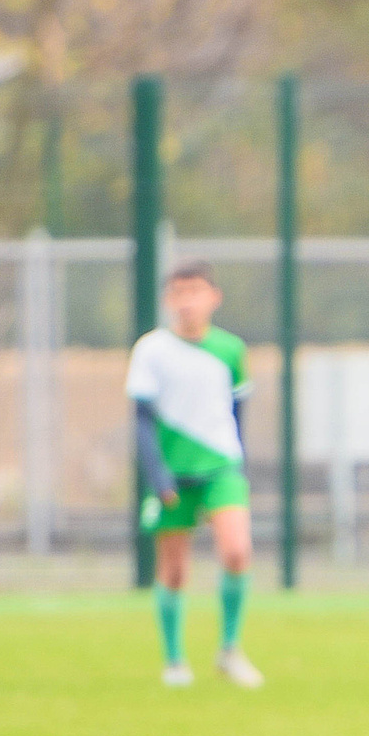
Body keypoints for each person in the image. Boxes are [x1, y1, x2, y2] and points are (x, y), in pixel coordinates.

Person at [127, 261, 262, 689]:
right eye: (178, 292)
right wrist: (157, 476)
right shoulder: (151, 349)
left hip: (222, 467)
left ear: (214, 297)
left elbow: (237, 411)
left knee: (237, 552)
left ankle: (229, 649)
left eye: (196, 291)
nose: (187, 301)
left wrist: (236, 456)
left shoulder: (230, 349)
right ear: (168, 300)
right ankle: (174, 660)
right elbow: (143, 420)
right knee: (175, 570)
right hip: (173, 472)